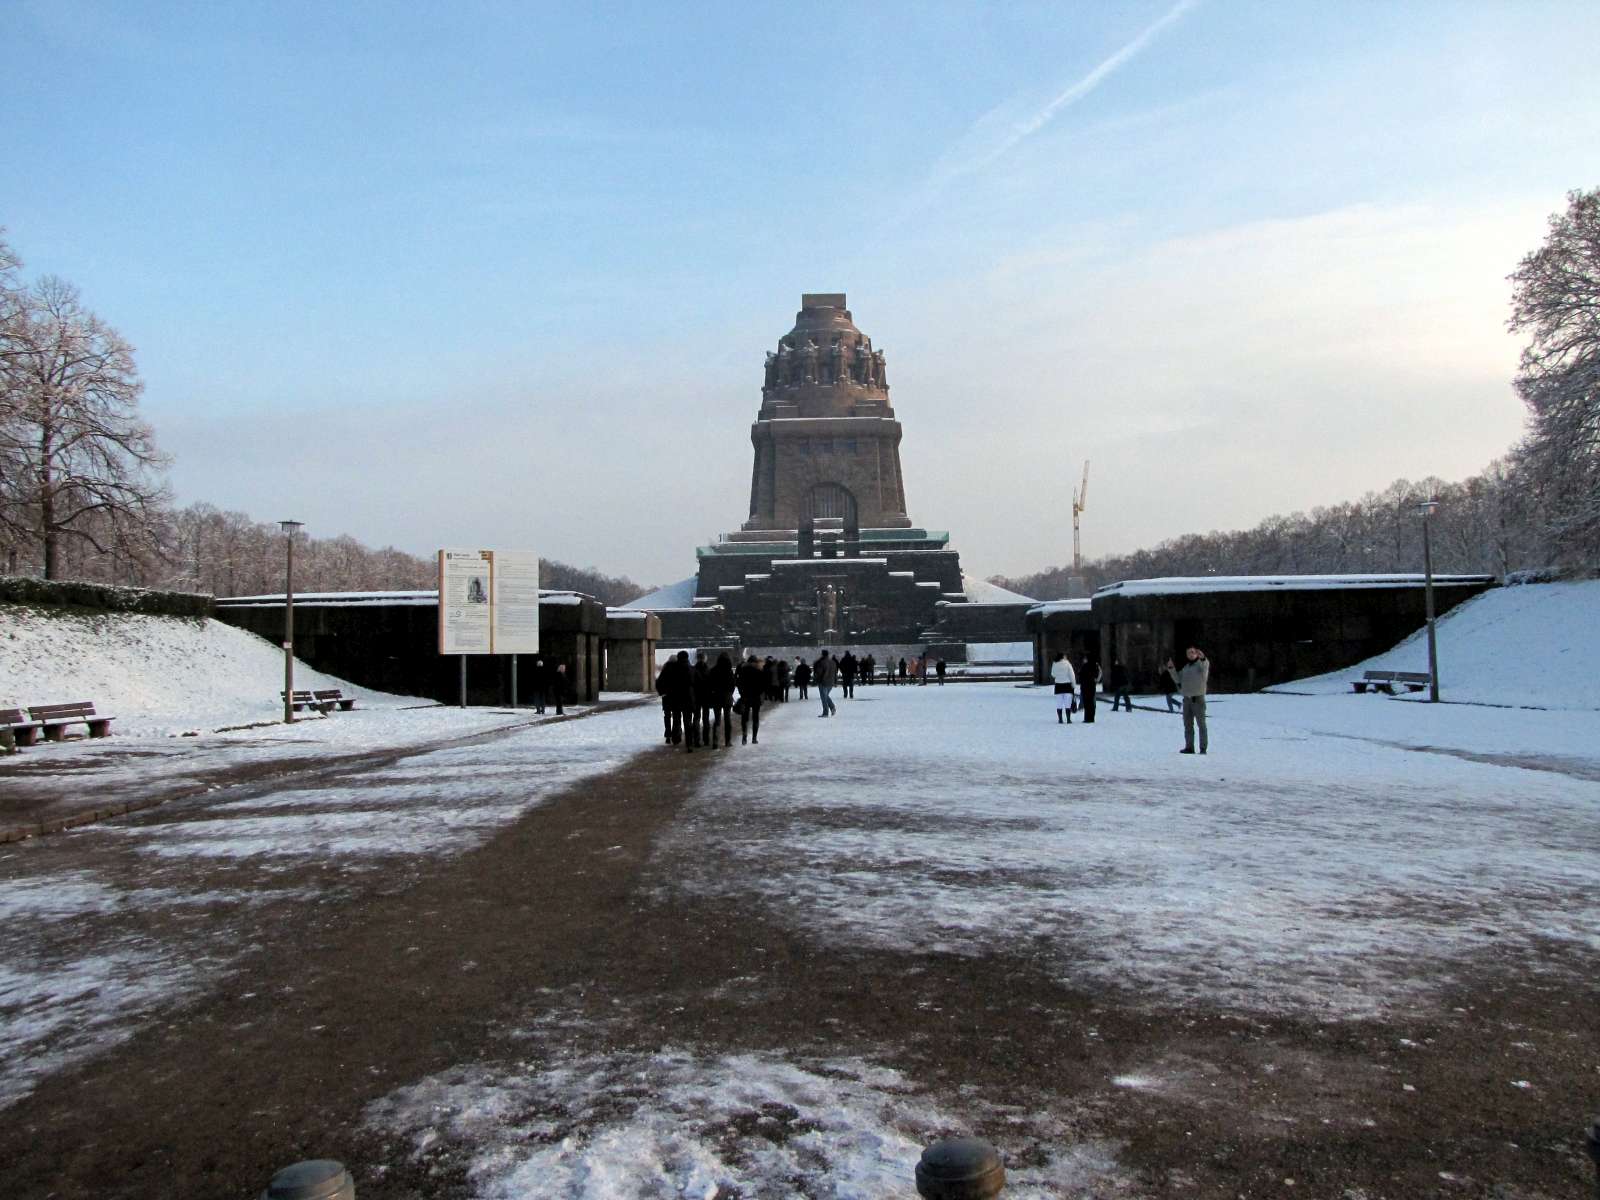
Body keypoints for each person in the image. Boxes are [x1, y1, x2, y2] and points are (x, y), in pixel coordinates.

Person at [1165, 647, 1211, 754]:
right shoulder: (1186, 668)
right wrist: (1171, 668)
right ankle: (1189, 747)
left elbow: (1206, 666)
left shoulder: (1201, 665)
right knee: (1188, 725)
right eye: (1188, 653)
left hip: (1198, 699)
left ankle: (1203, 748)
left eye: (1192, 652)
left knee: (1201, 724)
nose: (1190, 654)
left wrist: (1203, 658)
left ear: (1197, 654)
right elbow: (1177, 679)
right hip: (1187, 700)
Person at [736, 653, 766, 744]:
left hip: (745, 697)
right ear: (755, 662)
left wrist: (742, 693)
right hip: (756, 697)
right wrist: (759, 693)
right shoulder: (759, 671)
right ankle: (754, 738)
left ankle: (744, 737)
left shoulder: (743, 671)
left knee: (745, 717)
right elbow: (762, 686)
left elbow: (738, 683)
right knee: (755, 717)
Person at [709, 651, 735, 748]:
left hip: (716, 697)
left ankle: (715, 742)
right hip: (727, 697)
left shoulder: (713, 670)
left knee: (717, 719)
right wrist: (729, 693)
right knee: (727, 719)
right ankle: (728, 741)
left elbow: (710, 684)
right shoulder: (729, 670)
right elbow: (733, 685)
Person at [1050, 651, 1077, 724]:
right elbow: (1072, 675)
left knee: (1059, 704)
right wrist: (1073, 685)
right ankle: (1068, 719)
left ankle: (1060, 719)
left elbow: (1053, 674)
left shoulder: (1055, 663)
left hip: (1058, 686)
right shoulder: (1068, 664)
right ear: (1063, 657)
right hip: (1067, 686)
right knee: (1068, 704)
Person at [692, 653, 712, 748]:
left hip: (696, 697)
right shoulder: (708, 670)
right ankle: (706, 740)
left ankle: (696, 740)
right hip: (706, 697)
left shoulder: (693, 669)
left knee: (696, 718)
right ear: (705, 658)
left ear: (697, 658)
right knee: (706, 719)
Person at [817, 650, 839, 717]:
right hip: (831, 682)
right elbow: (835, 673)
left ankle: (826, 712)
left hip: (823, 682)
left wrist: (817, 679)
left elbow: (819, 673)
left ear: (822, 654)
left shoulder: (822, 662)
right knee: (825, 696)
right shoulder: (833, 662)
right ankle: (832, 708)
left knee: (824, 697)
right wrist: (835, 681)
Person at [1079, 657, 1100, 723]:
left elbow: (1080, 676)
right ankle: (1092, 718)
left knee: (1086, 703)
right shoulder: (1095, 666)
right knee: (1091, 702)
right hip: (1092, 686)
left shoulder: (1084, 666)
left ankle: (1087, 718)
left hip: (1085, 686)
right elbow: (1097, 675)